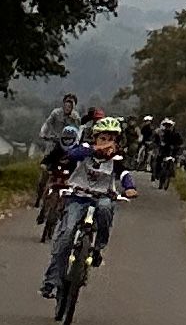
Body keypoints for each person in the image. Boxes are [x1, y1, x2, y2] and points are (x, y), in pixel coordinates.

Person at [40, 118, 136, 299]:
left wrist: (129, 187)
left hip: (102, 197)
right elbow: (72, 155)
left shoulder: (116, 158)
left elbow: (124, 173)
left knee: (106, 209)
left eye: (111, 139)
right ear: (95, 138)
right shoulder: (85, 149)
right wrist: (95, 149)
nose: (107, 142)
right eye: (103, 138)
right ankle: (51, 282)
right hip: (78, 197)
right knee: (66, 235)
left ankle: (98, 248)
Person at [34, 92, 79, 202]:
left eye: (71, 104)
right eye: (67, 102)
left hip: (67, 146)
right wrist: (43, 133)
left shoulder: (76, 117)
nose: (68, 106)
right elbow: (47, 123)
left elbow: (79, 130)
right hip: (53, 143)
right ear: (63, 103)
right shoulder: (56, 113)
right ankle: (40, 194)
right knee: (46, 170)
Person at [35, 122, 81, 224]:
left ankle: (66, 212)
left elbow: (81, 166)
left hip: (70, 177)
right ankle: (43, 209)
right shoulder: (57, 149)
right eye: (65, 139)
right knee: (47, 188)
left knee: (73, 195)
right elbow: (48, 158)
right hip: (55, 174)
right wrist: (44, 164)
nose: (67, 141)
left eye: (70, 139)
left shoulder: (79, 151)